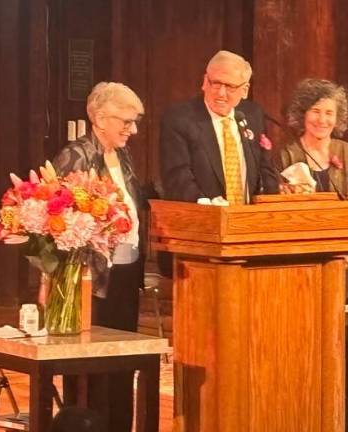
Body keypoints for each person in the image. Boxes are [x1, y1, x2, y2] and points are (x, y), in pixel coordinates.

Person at [51, 81, 146, 432]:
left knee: (122, 360)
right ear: (100, 119)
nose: (132, 130)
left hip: (125, 272)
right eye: (126, 121)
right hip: (91, 276)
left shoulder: (122, 155)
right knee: (90, 365)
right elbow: (60, 219)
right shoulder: (76, 156)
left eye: (134, 122)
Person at [277, 78, 348, 432]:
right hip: (304, 263)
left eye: (329, 113)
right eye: (315, 111)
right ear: (302, 114)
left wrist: (344, 240)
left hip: (346, 264)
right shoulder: (287, 154)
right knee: (306, 344)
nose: (322, 119)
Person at [159, 50, 279, 204]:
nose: (221, 93)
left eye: (230, 86)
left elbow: (265, 167)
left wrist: (272, 198)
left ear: (245, 90)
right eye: (216, 83)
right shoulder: (180, 119)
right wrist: (206, 205)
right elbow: (177, 176)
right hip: (203, 214)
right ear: (205, 82)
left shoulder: (253, 114)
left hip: (249, 215)